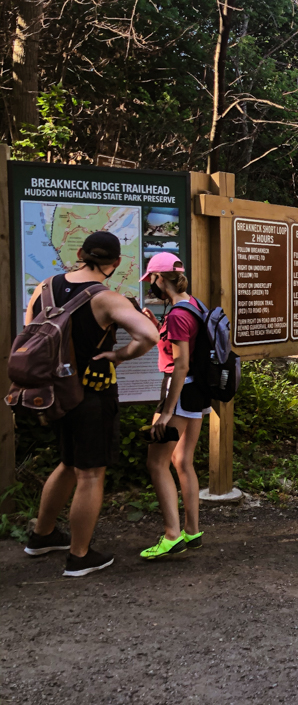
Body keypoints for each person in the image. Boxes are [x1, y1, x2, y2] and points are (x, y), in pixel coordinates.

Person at [22, 232, 159, 576]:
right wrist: (118, 355)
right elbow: (150, 336)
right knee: (91, 473)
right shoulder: (106, 299)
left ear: (81, 253)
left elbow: (30, 332)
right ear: (114, 264)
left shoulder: (44, 288)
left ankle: (42, 535)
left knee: (69, 462)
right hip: (91, 394)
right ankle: (80, 556)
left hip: (54, 392)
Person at [137, 254, 211, 559]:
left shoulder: (178, 315)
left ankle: (171, 535)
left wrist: (167, 411)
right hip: (197, 394)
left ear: (159, 279)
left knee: (157, 463)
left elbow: (179, 365)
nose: (151, 286)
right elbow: (179, 349)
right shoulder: (193, 305)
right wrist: (156, 326)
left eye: (151, 280)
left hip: (179, 393)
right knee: (183, 461)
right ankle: (192, 531)